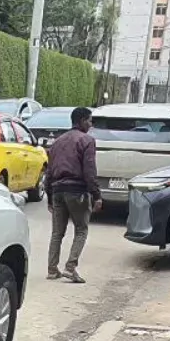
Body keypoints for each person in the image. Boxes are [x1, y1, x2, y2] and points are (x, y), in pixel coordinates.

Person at [44, 107, 101, 284]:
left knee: (57, 233)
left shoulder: (58, 142)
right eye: (90, 121)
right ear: (83, 120)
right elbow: (89, 171)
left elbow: (49, 171)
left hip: (58, 191)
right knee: (81, 230)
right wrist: (96, 194)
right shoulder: (87, 141)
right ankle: (70, 267)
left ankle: (52, 270)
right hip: (77, 191)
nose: (91, 125)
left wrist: (49, 195)